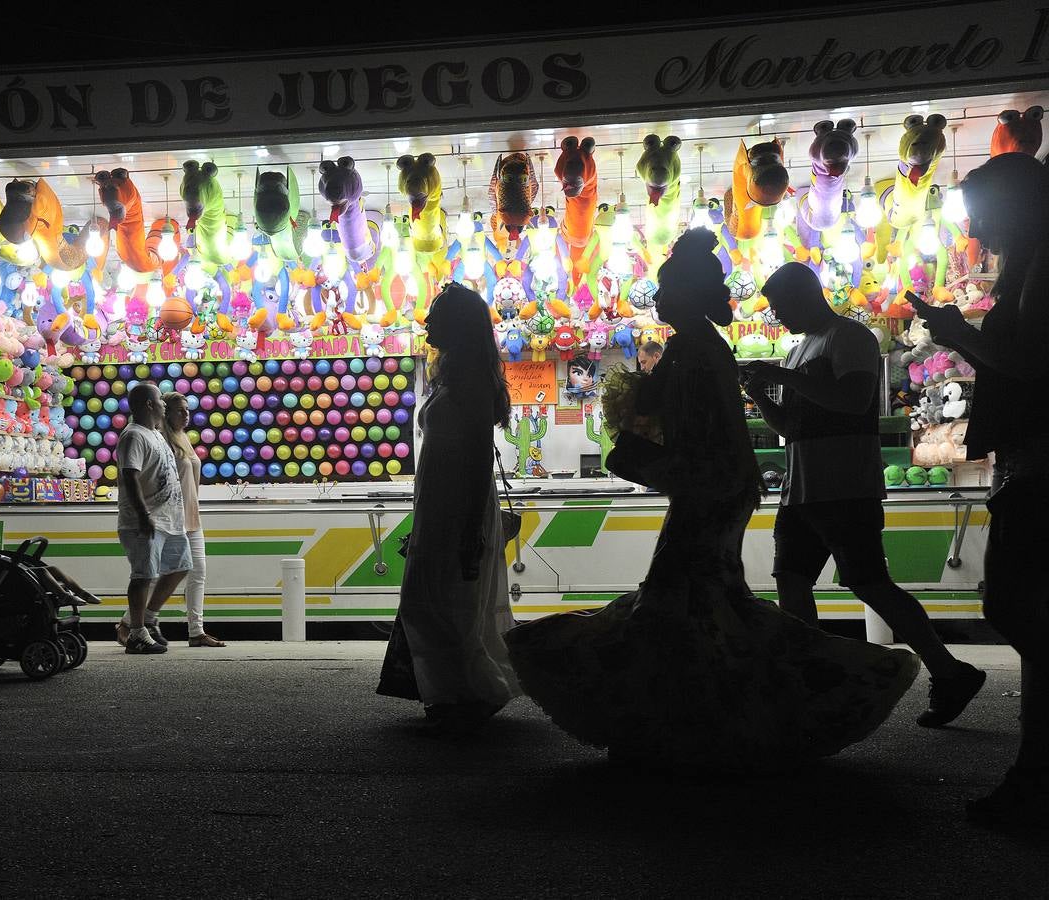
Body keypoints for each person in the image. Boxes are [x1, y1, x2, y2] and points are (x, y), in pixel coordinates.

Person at [505, 230, 918, 770]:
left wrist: (641, 419)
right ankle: (704, 715)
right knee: (702, 601)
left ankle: (695, 714)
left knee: (683, 598)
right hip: (721, 485)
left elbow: (694, 428)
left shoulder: (694, 348)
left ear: (687, 298)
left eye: (667, 292)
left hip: (712, 487)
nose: (660, 301)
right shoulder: (703, 346)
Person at [744, 261, 985, 727]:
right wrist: (763, 395)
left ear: (805, 296)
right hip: (802, 490)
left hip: (844, 486)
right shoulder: (799, 351)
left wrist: (784, 378)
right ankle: (810, 680)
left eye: (780, 307)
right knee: (790, 583)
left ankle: (949, 670)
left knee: (868, 582)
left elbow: (853, 403)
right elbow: (791, 429)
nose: (779, 318)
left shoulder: (850, 338)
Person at [913, 152, 1049, 828]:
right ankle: (1033, 770)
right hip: (1027, 461)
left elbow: (1031, 361)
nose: (976, 231)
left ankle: (1035, 774)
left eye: (982, 214)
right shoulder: (1029, 260)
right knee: (1021, 611)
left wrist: (959, 334)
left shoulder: (1040, 261)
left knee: (1018, 608)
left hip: (1039, 465)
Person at [376, 283, 520, 734]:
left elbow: (478, 456)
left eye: (437, 313)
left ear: (457, 325)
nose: (427, 321)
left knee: (447, 602)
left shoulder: (471, 382)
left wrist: (471, 527)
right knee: (436, 600)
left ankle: (469, 692)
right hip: (440, 506)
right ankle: (453, 692)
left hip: (459, 507)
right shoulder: (453, 377)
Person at [117, 393, 225, 648]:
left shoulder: (180, 439)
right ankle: (133, 625)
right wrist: (144, 514)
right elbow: (133, 476)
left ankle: (194, 631)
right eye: (178, 410)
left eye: (187, 410)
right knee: (149, 574)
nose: (185, 415)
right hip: (161, 515)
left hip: (186, 514)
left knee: (191, 570)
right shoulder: (150, 436)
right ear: (160, 411)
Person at [117, 382, 192, 655]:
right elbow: (129, 476)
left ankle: (147, 620)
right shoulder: (133, 436)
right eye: (160, 400)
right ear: (149, 405)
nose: (164, 404)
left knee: (181, 566)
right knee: (143, 576)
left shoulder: (156, 434)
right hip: (145, 521)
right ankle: (136, 633)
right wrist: (143, 515)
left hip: (169, 520)